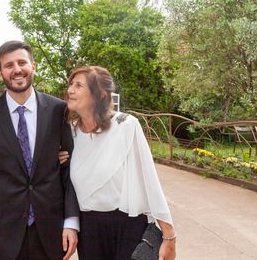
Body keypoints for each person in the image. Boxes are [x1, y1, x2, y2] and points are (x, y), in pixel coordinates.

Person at [0, 40, 80, 260]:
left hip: (52, 233)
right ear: (0, 73)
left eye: (21, 62)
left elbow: (70, 171)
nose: (16, 69)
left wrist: (71, 221)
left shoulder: (58, 111)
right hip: (1, 237)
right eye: (8, 65)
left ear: (33, 66)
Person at [65, 66, 176, 260]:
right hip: (89, 230)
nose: (70, 90)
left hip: (128, 226)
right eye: (71, 84)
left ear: (99, 94)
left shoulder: (125, 125)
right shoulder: (70, 135)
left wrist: (169, 236)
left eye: (78, 85)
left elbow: (149, 180)